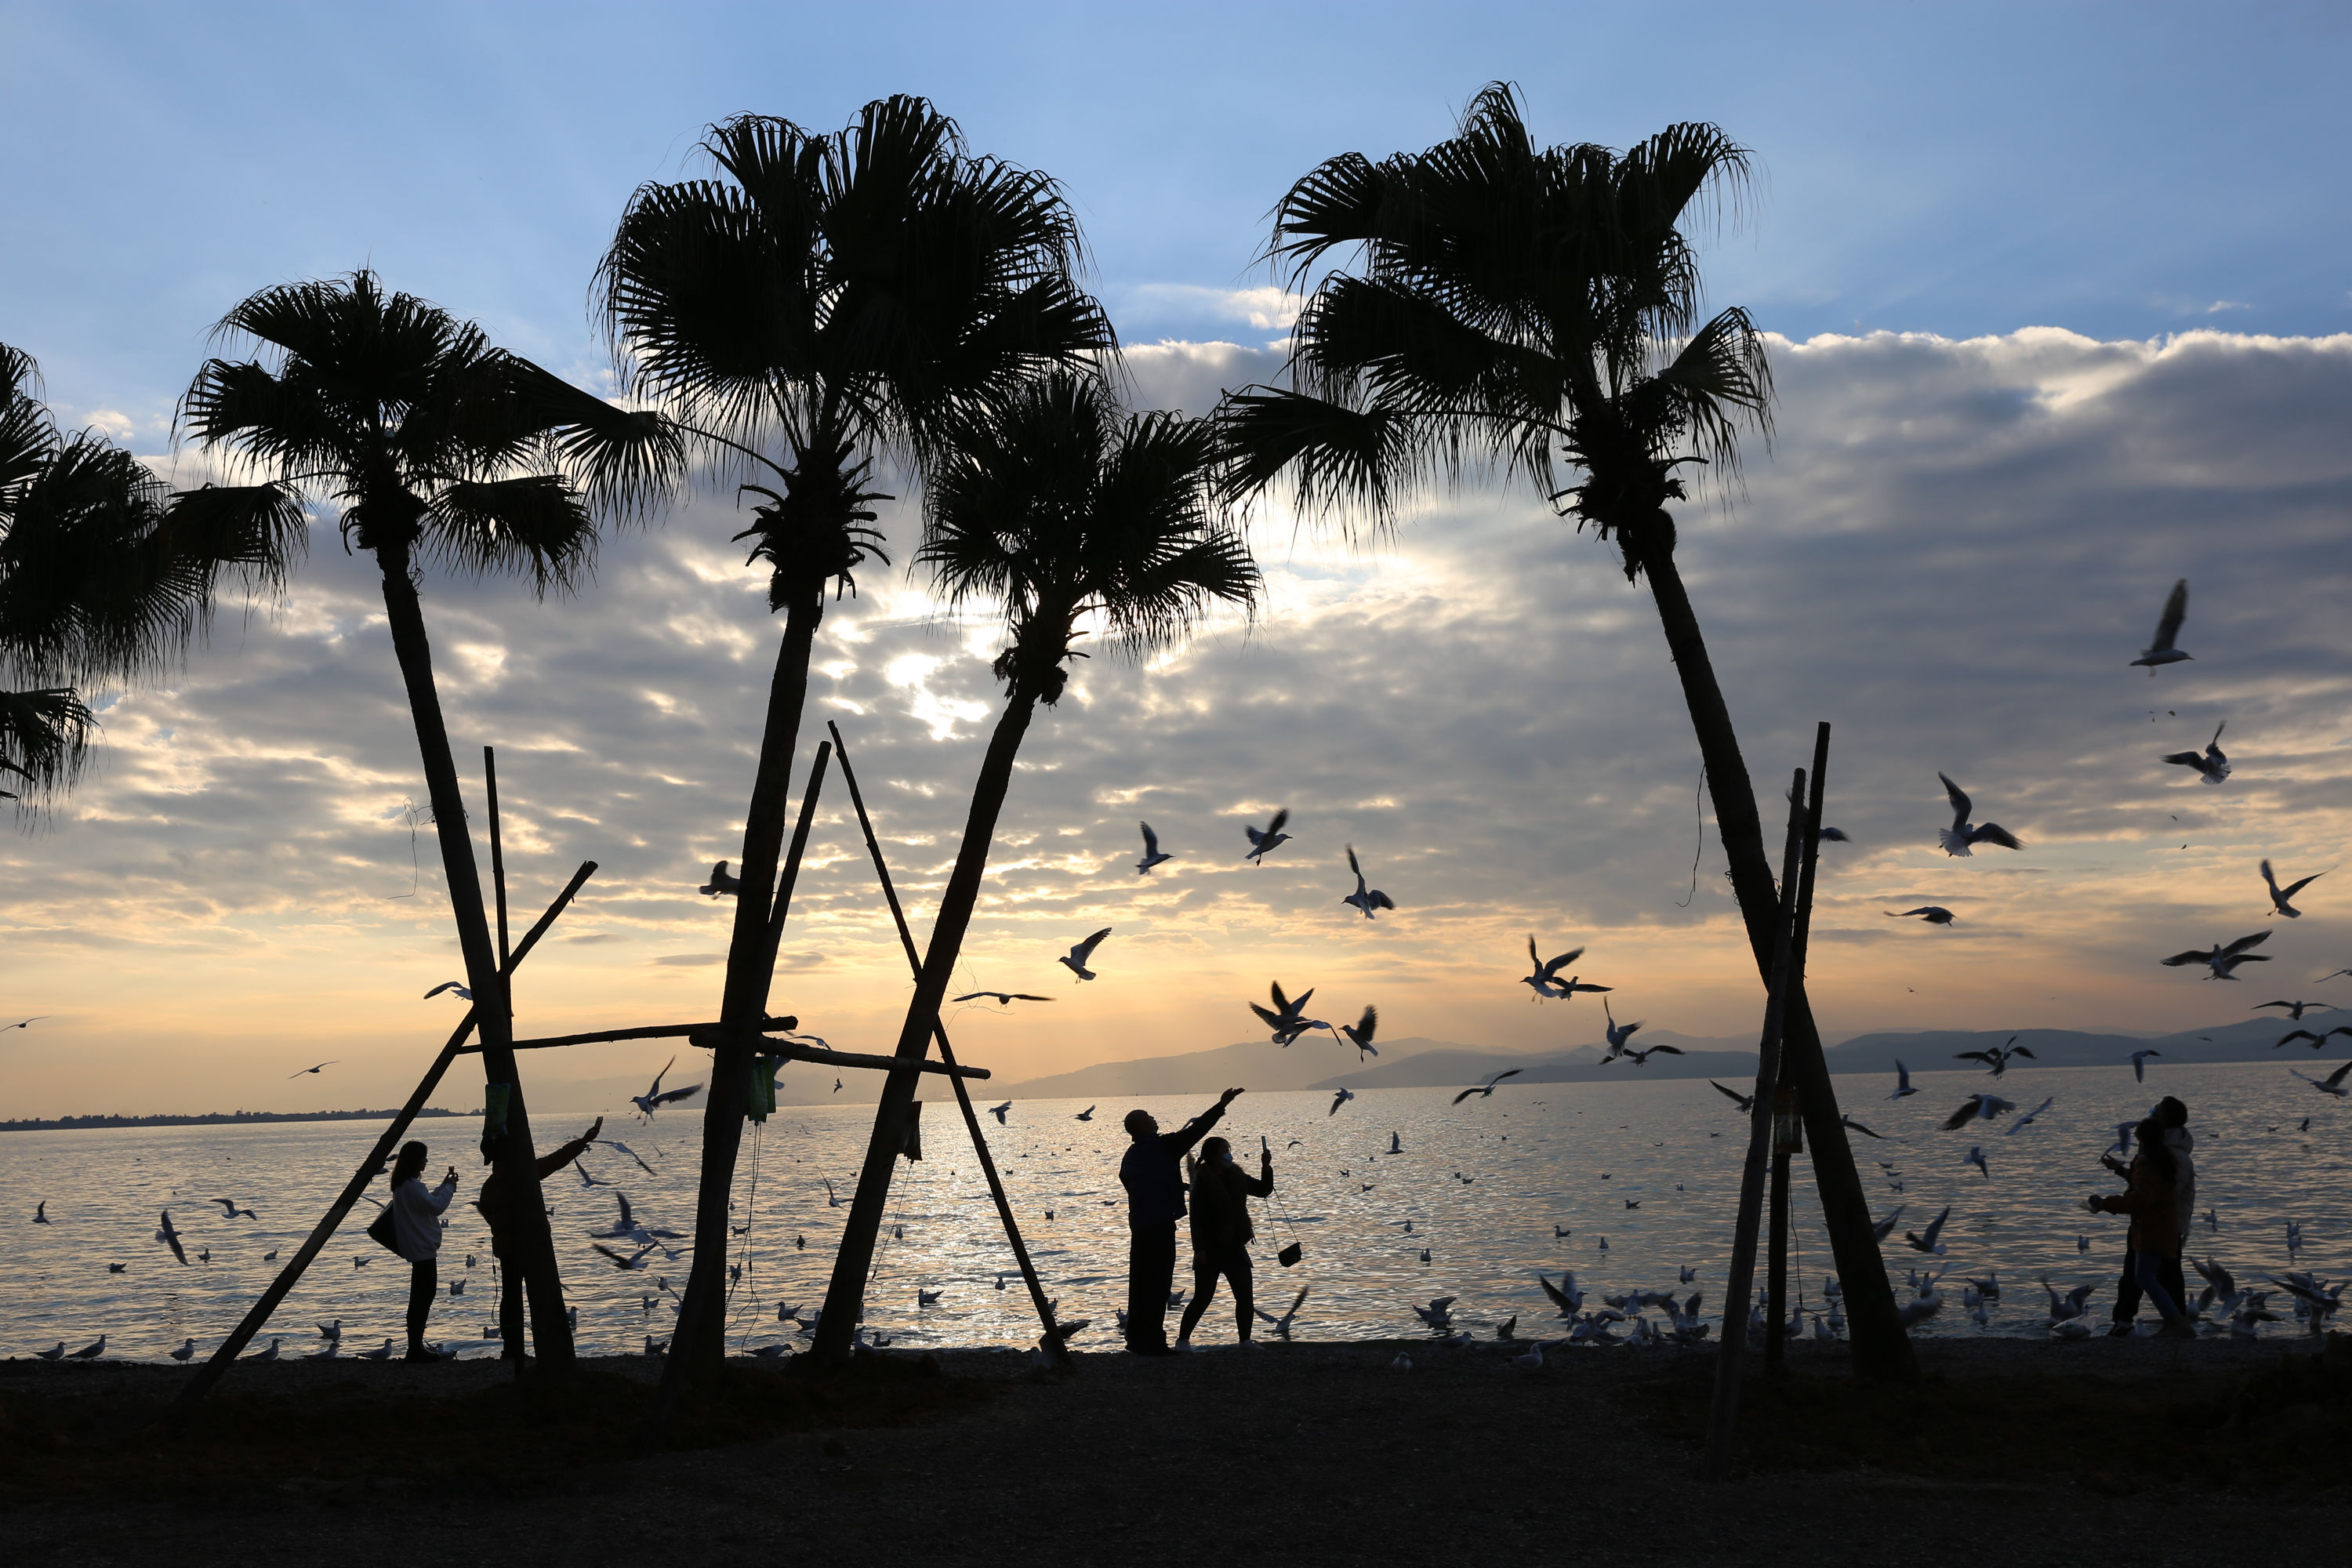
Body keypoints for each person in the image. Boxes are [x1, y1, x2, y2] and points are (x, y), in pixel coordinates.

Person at [1118, 1088, 1242, 1356]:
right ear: (1143, 1126)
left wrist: (1171, 1187)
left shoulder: (1131, 1154)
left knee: (1140, 1284)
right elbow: (1197, 1131)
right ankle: (1154, 1343)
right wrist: (1221, 1105)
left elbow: (1132, 1183)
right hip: (1161, 1226)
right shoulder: (1164, 1145)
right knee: (1159, 1283)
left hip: (1140, 1227)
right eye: (1149, 1116)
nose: (1154, 1118)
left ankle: (1137, 1340)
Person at [476, 1116, 601, 1363]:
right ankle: (548, 1346)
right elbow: (557, 1159)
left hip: (506, 1249)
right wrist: (585, 1140)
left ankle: (512, 1349)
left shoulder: (488, 1187)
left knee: (510, 1297)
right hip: (532, 1247)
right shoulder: (523, 1174)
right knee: (543, 1295)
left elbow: (488, 1216)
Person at [2086, 1119, 2194, 1338]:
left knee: (2144, 1278)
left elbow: (2141, 1200)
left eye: (2137, 1139)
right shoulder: (2165, 1159)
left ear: (2142, 1140)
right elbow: (2147, 1187)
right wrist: (2119, 1169)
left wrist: (2105, 1203)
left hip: (2152, 1229)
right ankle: (2175, 1323)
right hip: (2164, 1227)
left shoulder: (2149, 1165)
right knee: (2149, 1277)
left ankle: (2177, 1324)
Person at [1176, 1134, 1273, 1350]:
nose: (1229, 1155)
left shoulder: (1236, 1175)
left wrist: (1266, 1166)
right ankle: (1182, 1341)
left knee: (1245, 1296)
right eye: (1224, 1151)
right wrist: (1199, 1249)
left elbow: (1263, 1190)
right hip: (1210, 1247)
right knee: (1203, 1297)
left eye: (1228, 1150)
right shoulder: (1201, 1181)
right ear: (1213, 1156)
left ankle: (1245, 1341)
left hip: (1234, 1244)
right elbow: (1196, 1218)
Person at [387, 1141, 459, 1362]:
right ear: (415, 1160)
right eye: (424, 1157)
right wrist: (450, 1188)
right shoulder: (411, 1186)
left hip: (417, 1248)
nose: (426, 1161)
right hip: (422, 1249)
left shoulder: (405, 1186)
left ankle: (415, 1346)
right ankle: (415, 1348)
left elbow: (428, 1201)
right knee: (422, 1298)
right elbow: (437, 1206)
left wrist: (443, 1186)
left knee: (421, 1296)